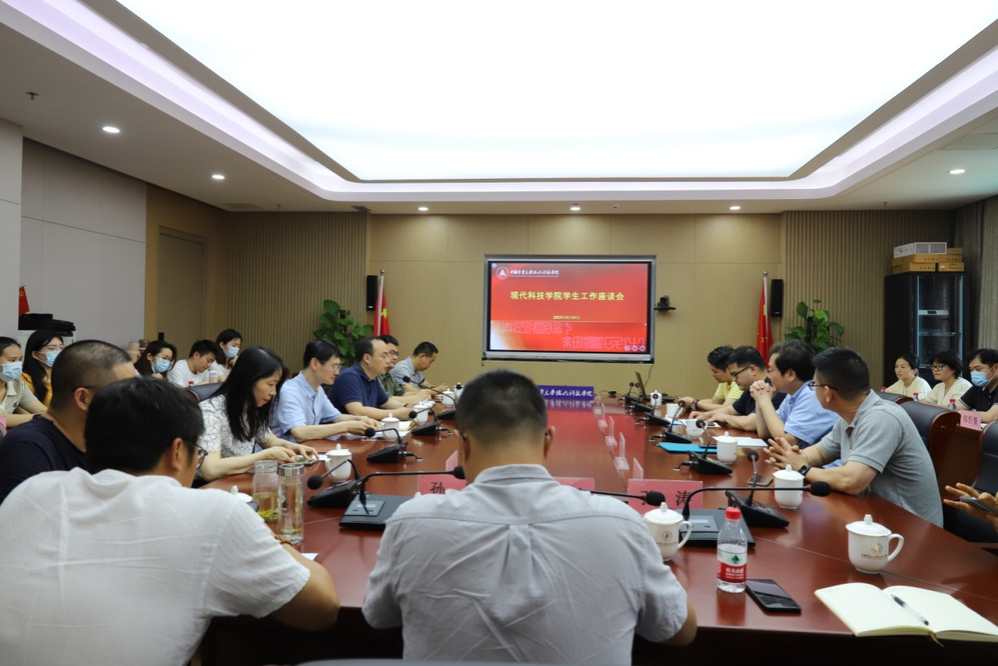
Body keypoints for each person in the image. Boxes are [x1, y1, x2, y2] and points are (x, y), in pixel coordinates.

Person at [363, 369, 696, 662]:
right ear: (548, 441)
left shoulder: (412, 521)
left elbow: (378, 617)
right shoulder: (620, 523)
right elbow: (679, 630)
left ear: (463, 446)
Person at [0, 378, 339, 665]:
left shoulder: (32, 491)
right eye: (197, 452)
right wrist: (267, 534)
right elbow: (321, 609)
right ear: (178, 451)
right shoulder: (213, 514)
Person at [766, 347, 943, 526]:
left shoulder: (881, 418)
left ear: (827, 393)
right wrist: (791, 457)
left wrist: (802, 468)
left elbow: (852, 481)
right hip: (872, 516)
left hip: (908, 528)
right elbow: (820, 453)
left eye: (814, 386)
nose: (813, 390)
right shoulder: (849, 416)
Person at [0, 340, 135, 504]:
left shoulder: (107, 443)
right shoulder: (28, 448)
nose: (133, 402)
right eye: (124, 392)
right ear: (83, 398)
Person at [197, 346, 318, 481]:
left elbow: (271, 441)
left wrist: (292, 447)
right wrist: (265, 456)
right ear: (248, 380)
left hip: (238, 483)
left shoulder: (251, 408)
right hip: (211, 488)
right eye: (270, 384)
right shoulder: (210, 412)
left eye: (276, 386)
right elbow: (210, 469)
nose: (274, 392)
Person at [271, 339, 379, 442]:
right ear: (315, 364)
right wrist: (346, 426)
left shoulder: (318, 389)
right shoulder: (289, 392)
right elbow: (299, 433)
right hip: (282, 453)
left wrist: (360, 420)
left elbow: (337, 417)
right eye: (334, 367)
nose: (337, 372)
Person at [752, 340, 838, 449]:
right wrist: (760, 400)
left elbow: (786, 441)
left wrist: (765, 401)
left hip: (822, 460)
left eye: (770, 370)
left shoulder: (813, 395)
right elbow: (764, 433)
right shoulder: (794, 393)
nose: (768, 376)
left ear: (790, 374)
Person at [691, 345, 785, 431]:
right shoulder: (750, 388)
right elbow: (730, 410)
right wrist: (705, 415)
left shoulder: (774, 388)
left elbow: (750, 423)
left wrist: (726, 418)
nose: (734, 379)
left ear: (752, 369)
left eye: (735, 374)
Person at [327, 337, 418, 421]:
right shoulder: (349, 377)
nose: (388, 361)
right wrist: (395, 414)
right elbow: (357, 411)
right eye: (384, 356)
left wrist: (407, 407)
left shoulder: (372, 377)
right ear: (367, 358)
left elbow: (386, 403)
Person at [676, 345, 742, 413]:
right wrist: (689, 402)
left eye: (715, 371)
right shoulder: (725, 382)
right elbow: (714, 402)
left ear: (729, 369)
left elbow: (726, 408)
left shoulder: (739, 382)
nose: (712, 375)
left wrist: (694, 403)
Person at [0, 337, 46, 428]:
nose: (18, 364)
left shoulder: (17, 384)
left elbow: (42, 411)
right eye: (12, 360)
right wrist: (39, 418)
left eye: (20, 359)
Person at [377, 335, 430, 408]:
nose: (395, 357)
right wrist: (416, 398)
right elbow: (385, 400)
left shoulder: (388, 375)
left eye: (396, 354)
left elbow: (401, 393)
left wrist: (421, 394)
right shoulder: (374, 375)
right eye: (392, 352)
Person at [20, 329, 64, 406]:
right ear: (35, 354)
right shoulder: (25, 379)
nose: (58, 351)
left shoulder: (68, 375)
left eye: (61, 347)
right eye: (51, 348)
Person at [956, 348, 998, 423]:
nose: (974, 373)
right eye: (971, 370)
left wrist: (959, 413)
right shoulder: (979, 387)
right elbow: (956, 407)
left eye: (978, 369)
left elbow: (990, 417)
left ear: (995, 368)